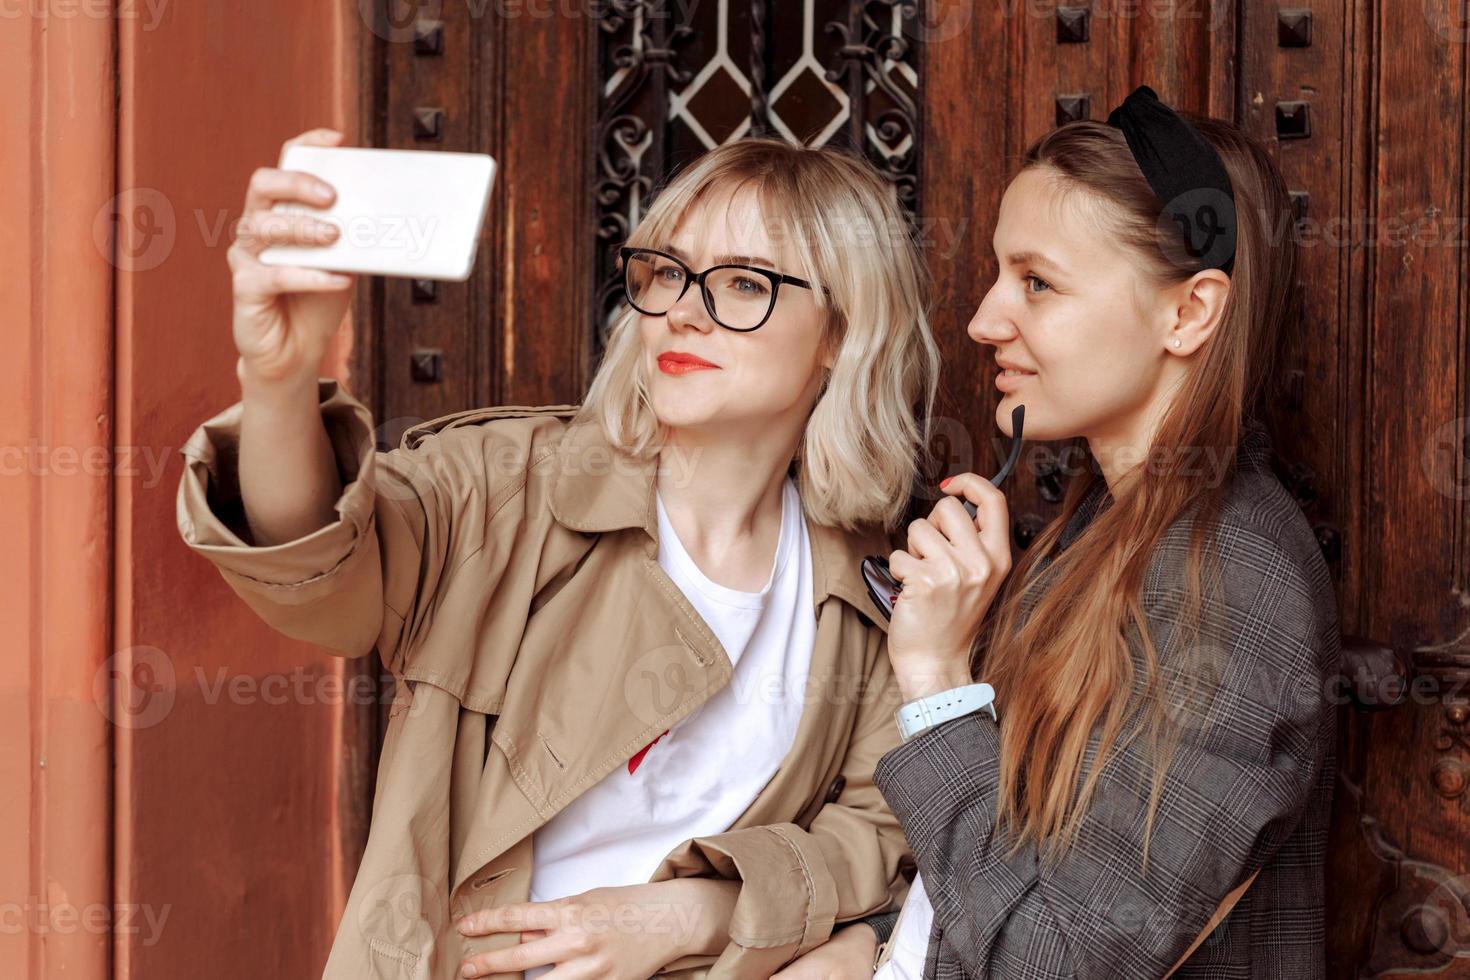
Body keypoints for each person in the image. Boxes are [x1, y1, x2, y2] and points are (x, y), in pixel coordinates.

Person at [176, 130, 940, 978]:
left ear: (840, 331)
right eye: (667, 273)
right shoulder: (513, 490)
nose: (683, 311)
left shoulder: (872, 583)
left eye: (744, 285)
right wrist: (277, 377)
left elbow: (876, 833)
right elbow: (316, 567)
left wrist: (697, 908)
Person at [774, 87, 1339, 980]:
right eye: (1002, 274)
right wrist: (867, 947)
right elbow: (1004, 876)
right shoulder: (1101, 531)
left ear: (1189, 314)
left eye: (1037, 282)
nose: (985, 321)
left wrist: (935, 677)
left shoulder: (1233, 580)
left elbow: (1059, 960)